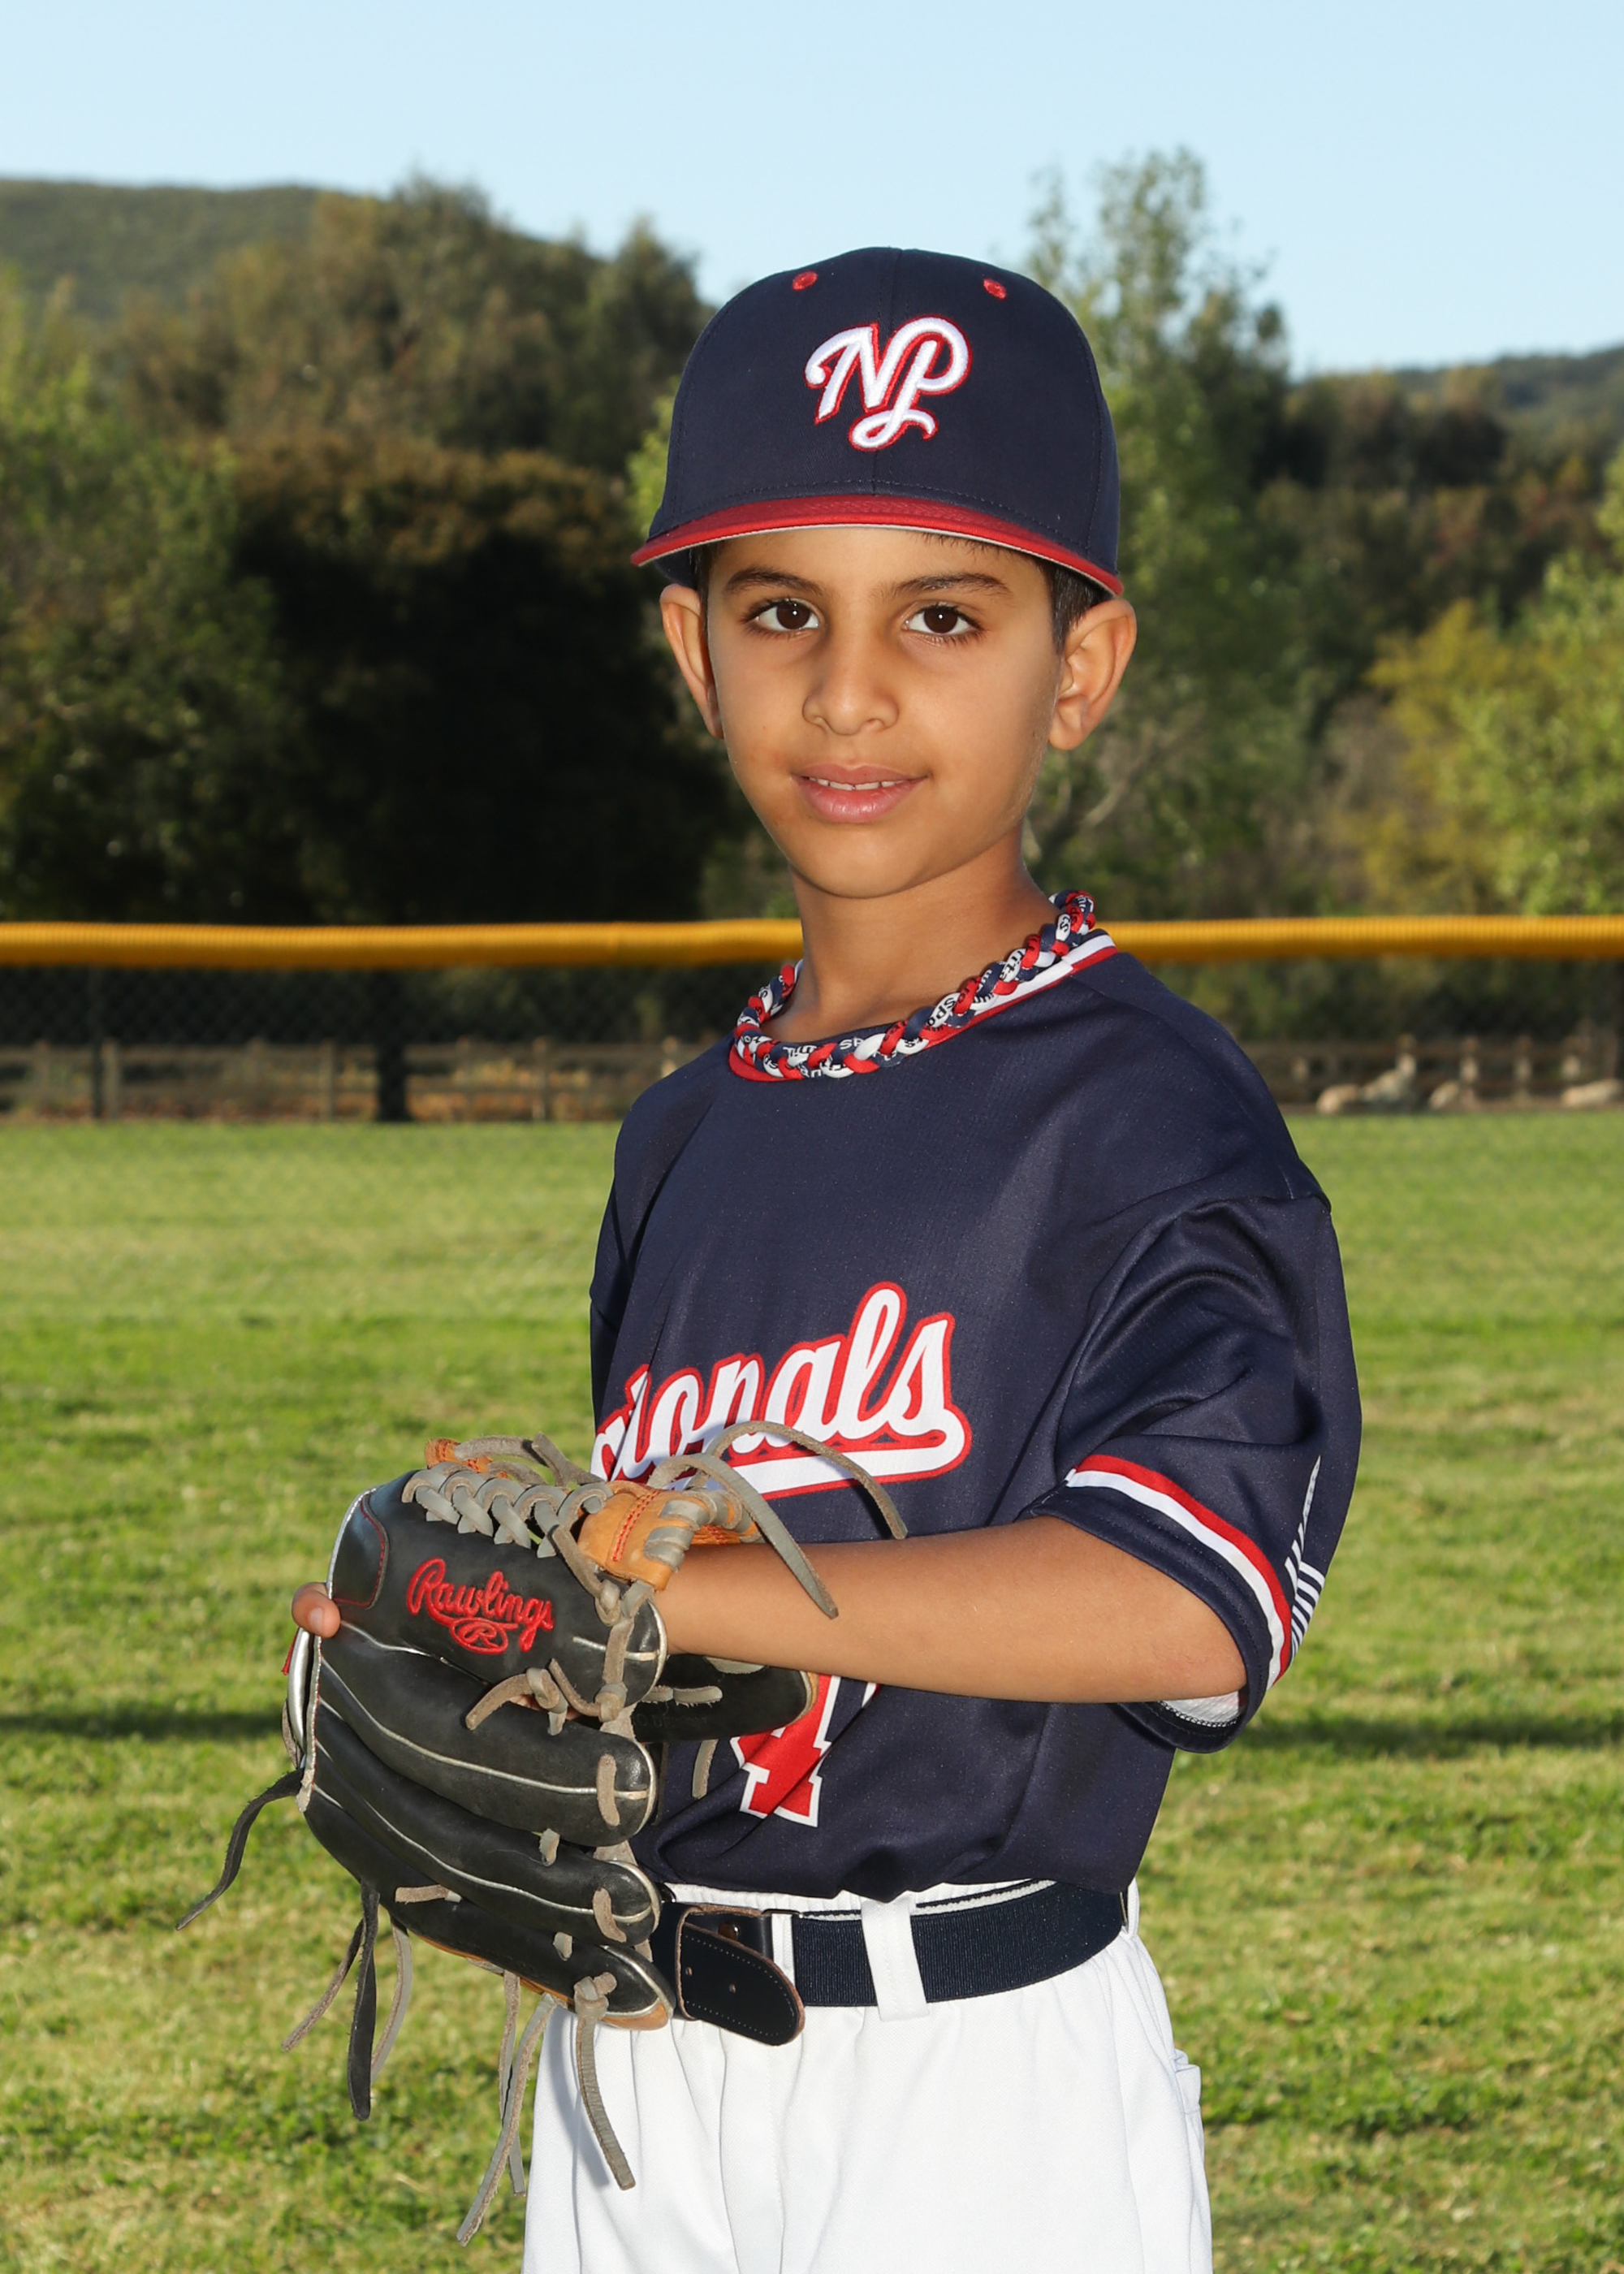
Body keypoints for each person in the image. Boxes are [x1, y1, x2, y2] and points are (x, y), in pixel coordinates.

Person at [293, 246, 1358, 2274]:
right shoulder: (682, 1133)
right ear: (693, 653)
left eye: (941, 615)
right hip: (638, 2068)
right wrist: (509, 1641)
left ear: (1080, 664)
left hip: (972, 2073)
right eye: (783, 609)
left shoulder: (1146, 1112)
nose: (849, 690)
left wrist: (674, 1591)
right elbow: (667, 1594)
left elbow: (1187, 1599)